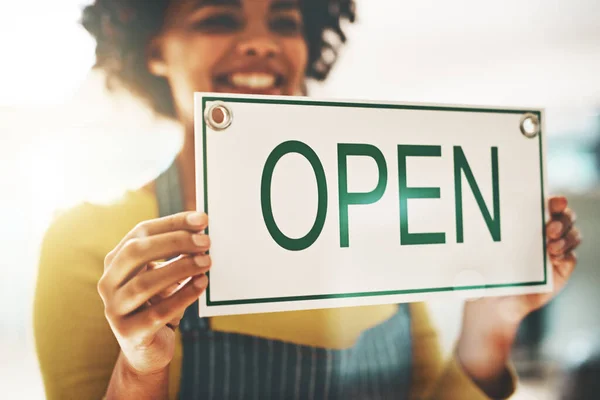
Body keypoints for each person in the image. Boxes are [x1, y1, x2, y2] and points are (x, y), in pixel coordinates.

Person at [33, 1, 582, 399]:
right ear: (154, 50)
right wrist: (139, 368)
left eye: (284, 21)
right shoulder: (88, 240)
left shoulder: (376, 222)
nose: (261, 42)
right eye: (217, 18)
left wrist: (494, 323)